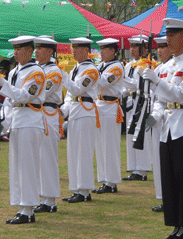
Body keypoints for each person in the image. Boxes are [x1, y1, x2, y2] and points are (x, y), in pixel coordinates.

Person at [142, 18, 183, 239]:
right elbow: (161, 100)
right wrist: (154, 116)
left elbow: (181, 96)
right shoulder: (165, 67)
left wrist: (157, 81)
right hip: (166, 126)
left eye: (174, 34)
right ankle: (176, 226)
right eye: (167, 34)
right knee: (169, 179)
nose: (168, 38)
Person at [0, 35, 46, 224]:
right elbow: (9, 101)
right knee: (17, 167)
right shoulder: (16, 71)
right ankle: (22, 206)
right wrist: (2, 123)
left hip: (30, 120)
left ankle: (29, 209)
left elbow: (24, 96)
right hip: (17, 120)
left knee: (28, 167)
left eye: (19, 49)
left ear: (29, 51)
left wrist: (4, 84)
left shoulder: (37, 73)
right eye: (14, 49)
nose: (15, 53)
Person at [61, 37, 99, 203]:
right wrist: (63, 111)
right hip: (76, 111)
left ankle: (84, 190)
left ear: (85, 50)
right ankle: (77, 188)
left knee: (83, 152)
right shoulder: (76, 69)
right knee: (73, 151)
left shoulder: (91, 70)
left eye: (76, 48)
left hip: (86, 111)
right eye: (73, 47)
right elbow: (70, 95)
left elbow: (77, 89)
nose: (73, 51)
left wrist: (63, 77)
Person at [33, 36, 63, 213]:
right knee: (39, 157)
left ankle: (50, 199)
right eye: (36, 48)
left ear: (49, 52)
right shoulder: (37, 69)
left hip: (48, 113)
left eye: (40, 48)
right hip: (37, 113)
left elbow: (42, 91)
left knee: (48, 157)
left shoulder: (54, 71)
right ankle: (42, 196)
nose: (36, 51)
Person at [93, 38, 124, 195]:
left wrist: (91, 73)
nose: (102, 52)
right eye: (101, 49)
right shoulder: (100, 66)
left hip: (111, 106)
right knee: (100, 146)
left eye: (105, 49)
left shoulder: (117, 67)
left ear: (113, 51)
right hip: (99, 106)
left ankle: (112, 182)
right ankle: (104, 179)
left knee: (110, 146)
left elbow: (103, 82)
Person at [122, 35, 152, 181]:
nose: (132, 49)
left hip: (141, 101)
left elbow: (136, 84)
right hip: (130, 102)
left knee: (141, 135)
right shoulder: (128, 65)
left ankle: (142, 169)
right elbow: (126, 87)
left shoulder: (145, 64)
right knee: (130, 134)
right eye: (131, 46)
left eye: (135, 47)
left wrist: (121, 78)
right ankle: (134, 167)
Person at [149, 36, 173, 213]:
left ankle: (170, 198)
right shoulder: (157, 68)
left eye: (163, 46)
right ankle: (163, 196)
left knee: (169, 161)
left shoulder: (172, 68)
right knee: (158, 160)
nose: (160, 50)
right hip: (157, 116)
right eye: (158, 47)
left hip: (170, 116)